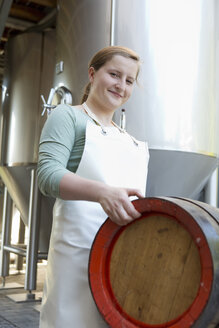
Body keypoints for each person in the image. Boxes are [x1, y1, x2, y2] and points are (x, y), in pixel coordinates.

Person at [37, 45, 149, 328]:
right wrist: (102, 192)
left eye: (129, 80)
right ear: (92, 74)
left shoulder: (130, 141)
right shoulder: (68, 117)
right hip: (75, 261)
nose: (121, 85)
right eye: (114, 74)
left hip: (120, 263)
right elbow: (48, 175)